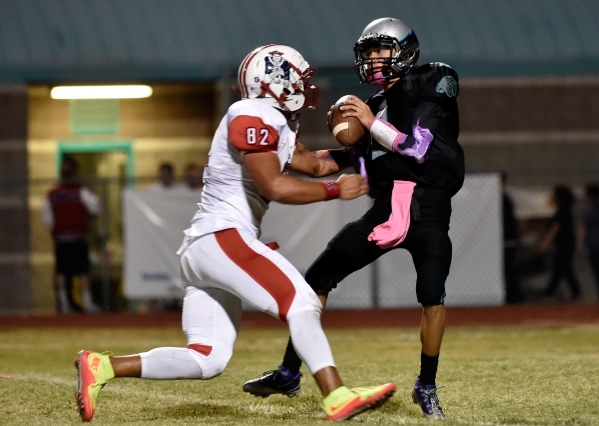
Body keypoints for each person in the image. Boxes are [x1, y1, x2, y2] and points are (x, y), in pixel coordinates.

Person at [74, 44, 396, 423]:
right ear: (274, 81)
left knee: (207, 358)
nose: (304, 86)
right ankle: (336, 394)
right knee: (303, 301)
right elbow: (275, 185)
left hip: (205, 247)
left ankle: (103, 366)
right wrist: (335, 192)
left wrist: (362, 147)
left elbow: (313, 165)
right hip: (221, 236)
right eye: (298, 77)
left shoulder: (270, 119)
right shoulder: (250, 113)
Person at [242, 18, 464, 420]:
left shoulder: (434, 79)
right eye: (369, 53)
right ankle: (290, 371)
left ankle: (426, 386)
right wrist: (283, 143)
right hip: (385, 210)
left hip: (428, 208)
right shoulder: (373, 107)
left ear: (406, 50)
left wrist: (367, 119)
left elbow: (416, 149)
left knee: (432, 296)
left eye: (382, 50)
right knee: (316, 278)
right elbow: (335, 163)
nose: (375, 59)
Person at [40, 156, 101, 313]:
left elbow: (45, 216)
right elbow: (95, 208)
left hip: (61, 238)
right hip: (78, 237)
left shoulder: (53, 193)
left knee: (62, 271)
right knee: (83, 271)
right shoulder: (81, 191)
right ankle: (86, 303)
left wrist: (58, 225)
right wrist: (87, 220)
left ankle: (65, 304)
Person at [538, 185, 581, 301]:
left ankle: (551, 291)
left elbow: (555, 228)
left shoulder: (562, 211)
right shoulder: (566, 210)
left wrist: (545, 242)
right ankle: (568, 291)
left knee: (562, 268)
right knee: (563, 268)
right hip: (566, 244)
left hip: (564, 244)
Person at [502, 172, 523, 303]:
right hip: (506, 240)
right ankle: (513, 295)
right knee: (508, 269)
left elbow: (511, 222)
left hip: (507, 241)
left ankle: (514, 296)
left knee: (509, 269)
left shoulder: (505, 200)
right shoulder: (503, 199)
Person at [578, 183, 599, 296]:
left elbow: (583, 229)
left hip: (594, 247)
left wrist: (579, 245)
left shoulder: (588, 211)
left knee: (597, 272)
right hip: (594, 245)